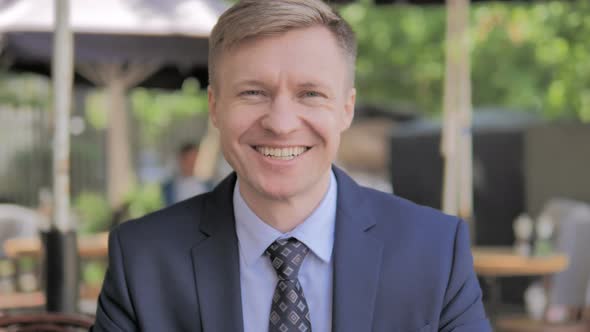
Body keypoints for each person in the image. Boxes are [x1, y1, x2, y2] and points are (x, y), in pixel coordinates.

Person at [91, 0, 491, 331]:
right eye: (253, 92)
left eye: (310, 93)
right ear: (215, 107)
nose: (281, 124)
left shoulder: (435, 252)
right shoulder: (142, 260)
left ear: (346, 109)